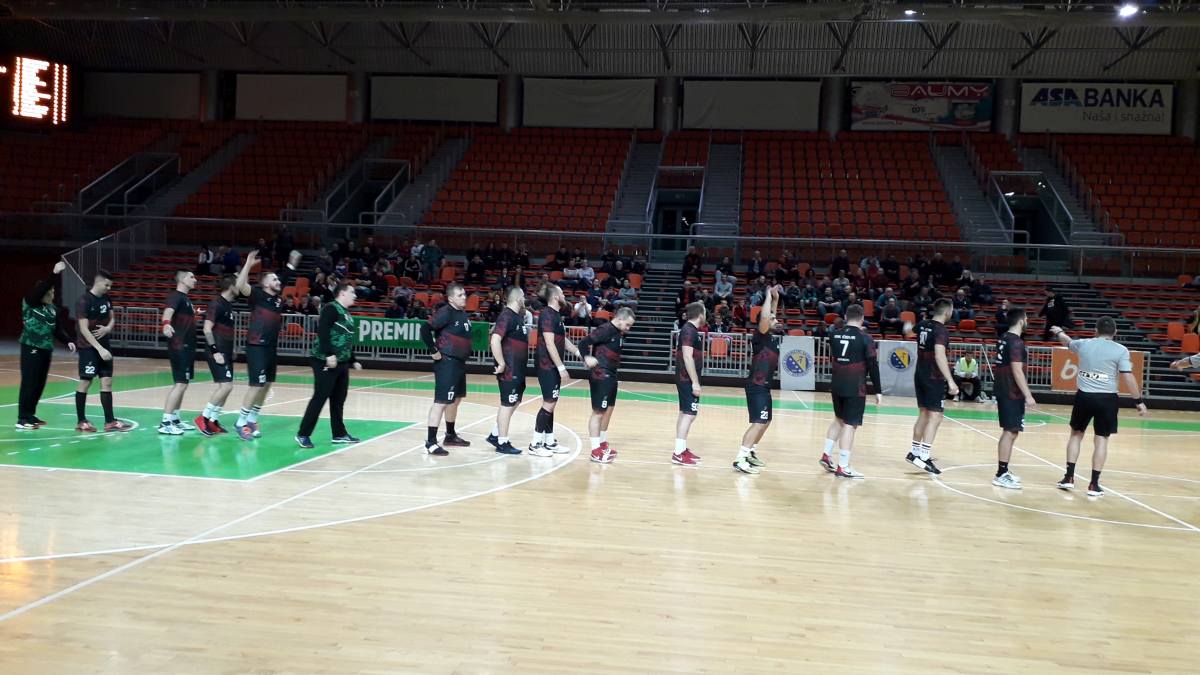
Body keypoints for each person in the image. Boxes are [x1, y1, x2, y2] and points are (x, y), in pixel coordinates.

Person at [1050, 318, 1148, 497]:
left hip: (1084, 397)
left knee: (1076, 435)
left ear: (1095, 330)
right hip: (1107, 399)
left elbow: (1067, 341)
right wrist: (1138, 401)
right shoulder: (1121, 350)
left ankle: (1069, 477)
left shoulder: (1084, 344)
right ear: (1115, 332)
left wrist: (1058, 332)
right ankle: (1094, 485)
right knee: (1101, 440)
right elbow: (1127, 376)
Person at [195, 251, 257, 435]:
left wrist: (232, 349)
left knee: (228, 387)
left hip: (226, 351)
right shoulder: (216, 304)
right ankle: (203, 417)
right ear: (231, 286)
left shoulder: (228, 305)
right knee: (226, 386)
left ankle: (213, 420)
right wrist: (215, 351)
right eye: (237, 283)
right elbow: (207, 328)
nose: (241, 286)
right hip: (217, 352)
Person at [295, 283, 363, 448]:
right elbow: (323, 331)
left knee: (338, 400)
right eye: (352, 292)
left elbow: (346, 338)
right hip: (324, 360)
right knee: (320, 397)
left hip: (342, 362)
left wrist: (353, 359)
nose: (355, 295)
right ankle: (303, 434)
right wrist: (329, 354)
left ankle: (339, 434)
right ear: (342, 293)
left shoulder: (346, 313)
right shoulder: (331, 309)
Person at [819, 303, 882, 479]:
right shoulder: (865, 338)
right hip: (855, 386)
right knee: (850, 425)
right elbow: (872, 365)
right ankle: (843, 466)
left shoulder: (834, 334)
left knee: (838, 419)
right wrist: (878, 390)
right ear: (862, 319)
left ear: (846, 317)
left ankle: (826, 455)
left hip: (837, 384)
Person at [16, 262, 75, 430]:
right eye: (49, 292)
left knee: (39, 383)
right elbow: (42, 289)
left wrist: (68, 341)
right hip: (31, 347)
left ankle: (30, 415)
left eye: (53, 291)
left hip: (46, 349)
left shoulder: (52, 309)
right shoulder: (30, 302)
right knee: (29, 382)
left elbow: (57, 329)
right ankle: (22, 418)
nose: (52, 294)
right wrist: (54, 273)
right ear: (41, 293)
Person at [529, 283, 583, 456]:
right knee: (549, 403)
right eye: (562, 293)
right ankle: (535, 444)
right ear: (554, 297)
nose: (564, 296)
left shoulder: (556, 315)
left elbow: (562, 340)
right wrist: (561, 367)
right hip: (546, 364)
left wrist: (578, 353)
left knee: (551, 403)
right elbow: (550, 343)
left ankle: (549, 441)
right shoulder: (547, 314)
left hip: (551, 365)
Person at [74, 270, 132, 433]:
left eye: (110, 286)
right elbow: (84, 329)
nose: (109, 288)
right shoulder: (84, 300)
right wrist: (99, 349)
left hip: (105, 346)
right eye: (107, 285)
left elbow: (112, 318)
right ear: (98, 282)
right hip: (89, 348)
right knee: (86, 381)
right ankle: (81, 421)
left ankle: (110, 421)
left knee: (107, 382)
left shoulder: (107, 299)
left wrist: (107, 328)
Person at [906, 298, 958, 475]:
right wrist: (950, 380)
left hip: (920, 374)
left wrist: (907, 325)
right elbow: (939, 355)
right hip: (933, 377)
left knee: (924, 413)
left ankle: (914, 453)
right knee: (936, 416)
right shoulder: (941, 330)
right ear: (947, 312)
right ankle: (924, 456)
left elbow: (908, 333)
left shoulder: (923, 324)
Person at [420, 283, 474, 456]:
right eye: (460, 295)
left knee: (456, 399)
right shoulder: (446, 312)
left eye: (464, 294)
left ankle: (450, 435)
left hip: (458, 363)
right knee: (441, 401)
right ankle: (430, 442)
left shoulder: (461, 313)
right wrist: (433, 350)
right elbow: (425, 329)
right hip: (447, 362)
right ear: (451, 298)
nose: (464, 297)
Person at [579, 306, 636, 464]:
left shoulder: (618, 332)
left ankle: (602, 443)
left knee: (608, 409)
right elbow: (583, 343)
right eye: (628, 325)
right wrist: (586, 357)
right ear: (620, 319)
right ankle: (595, 451)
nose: (628, 328)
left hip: (611, 375)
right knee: (598, 412)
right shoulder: (605, 329)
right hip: (600, 375)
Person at [234, 266, 285, 441]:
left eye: (278, 279)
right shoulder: (257, 295)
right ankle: (241, 422)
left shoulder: (278, 300)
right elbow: (240, 285)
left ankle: (252, 419)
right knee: (256, 385)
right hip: (256, 345)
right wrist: (248, 263)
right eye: (274, 279)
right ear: (264, 284)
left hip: (271, 347)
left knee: (267, 383)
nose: (278, 281)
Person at [733, 286, 780, 475]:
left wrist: (775, 298)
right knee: (759, 422)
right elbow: (766, 317)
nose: (776, 320)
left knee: (766, 421)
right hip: (756, 385)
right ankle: (740, 458)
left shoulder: (770, 336)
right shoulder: (761, 335)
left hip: (765, 386)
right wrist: (767, 295)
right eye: (773, 319)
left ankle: (751, 452)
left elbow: (770, 314)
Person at [991, 309, 1037, 490]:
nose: (1028, 321)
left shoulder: (1004, 337)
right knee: (1010, 432)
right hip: (1011, 391)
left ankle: (1003, 471)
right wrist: (1028, 395)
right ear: (1021, 321)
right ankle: (1001, 474)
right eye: (1027, 318)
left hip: (1005, 389)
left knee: (1012, 431)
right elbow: (1017, 370)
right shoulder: (1016, 342)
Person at [485, 286, 530, 456]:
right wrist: (501, 363)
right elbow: (494, 340)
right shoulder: (506, 315)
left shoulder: (517, 316)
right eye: (523, 296)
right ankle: (502, 442)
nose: (525, 299)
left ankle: (495, 434)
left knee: (515, 401)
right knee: (507, 404)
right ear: (518, 299)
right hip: (510, 369)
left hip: (518, 369)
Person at [158, 270, 199, 435]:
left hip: (188, 346)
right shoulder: (176, 296)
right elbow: (168, 312)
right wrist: (166, 324)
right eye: (191, 277)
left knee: (183, 384)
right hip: (179, 345)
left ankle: (175, 419)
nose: (195, 280)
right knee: (180, 383)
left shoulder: (186, 299)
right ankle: (165, 422)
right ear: (182, 280)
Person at [672, 301, 706, 467]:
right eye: (704, 312)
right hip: (686, 378)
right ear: (700, 315)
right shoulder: (688, 330)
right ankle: (678, 453)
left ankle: (681, 449)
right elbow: (687, 356)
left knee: (684, 413)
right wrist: (695, 382)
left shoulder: (691, 330)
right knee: (689, 414)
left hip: (685, 378)